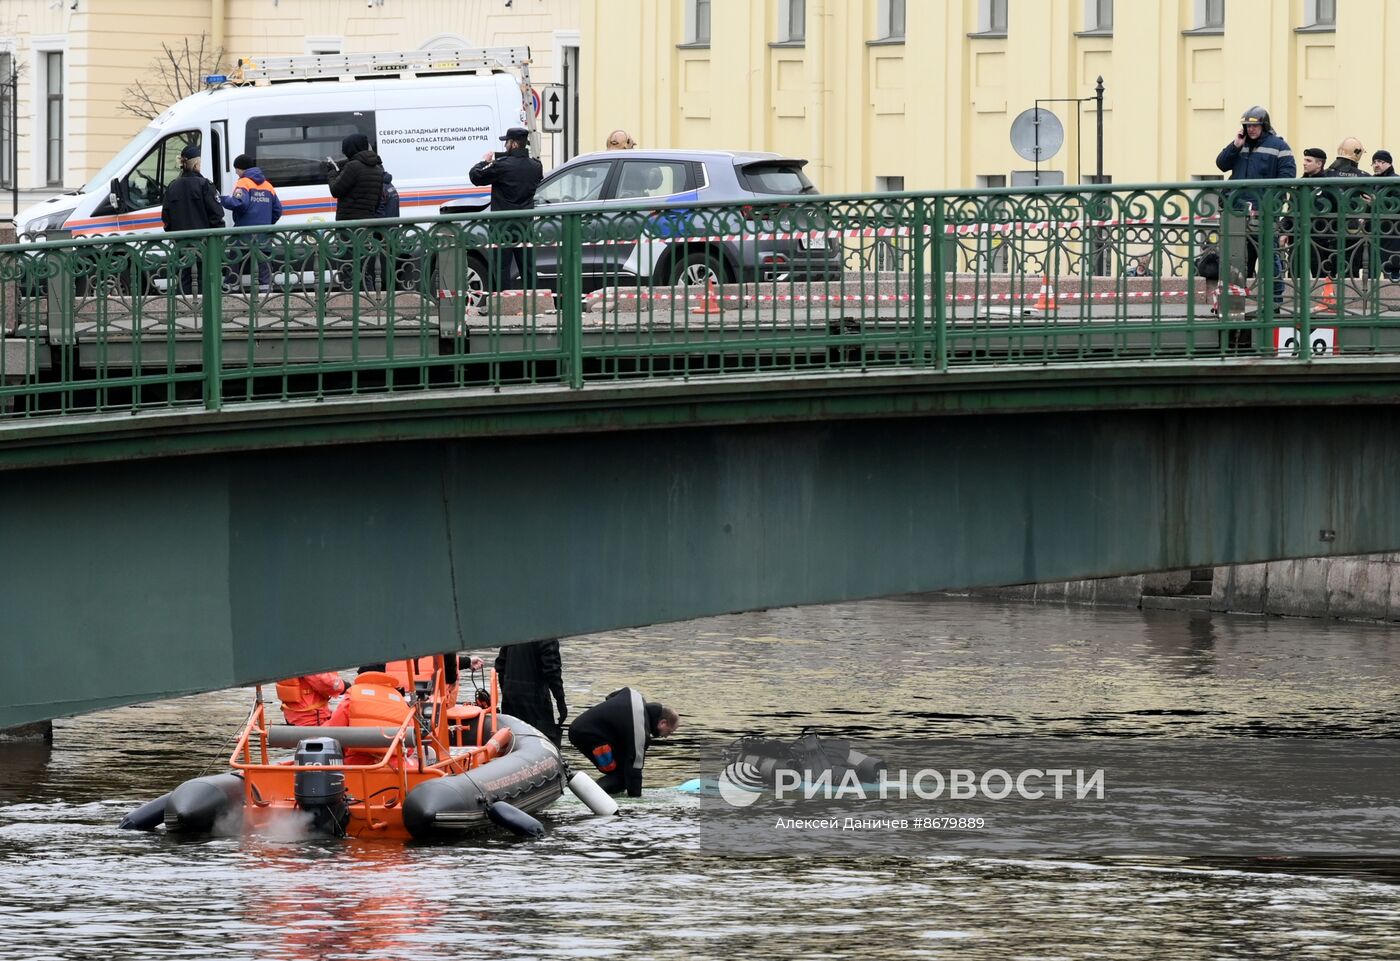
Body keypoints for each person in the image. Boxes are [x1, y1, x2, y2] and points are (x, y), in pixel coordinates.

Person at [1214, 105, 1296, 320]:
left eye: (1255, 126)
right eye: (1247, 126)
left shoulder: (1279, 146)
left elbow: (1287, 178)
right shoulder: (1240, 145)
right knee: (1234, 259)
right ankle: (1232, 306)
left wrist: (1270, 205)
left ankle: (1273, 303)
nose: (1250, 129)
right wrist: (1235, 145)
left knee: (1269, 258)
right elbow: (1221, 164)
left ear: (1264, 125)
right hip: (1237, 211)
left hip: (1264, 213)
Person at [468, 126, 543, 290]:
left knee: (502, 267)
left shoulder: (501, 166)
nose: (505, 146)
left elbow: (475, 176)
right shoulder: (536, 166)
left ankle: (503, 302)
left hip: (503, 225)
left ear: (514, 144)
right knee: (528, 267)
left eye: (507, 143)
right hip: (525, 224)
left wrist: (485, 162)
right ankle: (533, 302)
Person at [567, 688, 678, 797]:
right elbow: (635, 769)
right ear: (663, 723)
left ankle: (599, 793)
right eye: (669, 732)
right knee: (621, 776)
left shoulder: (635, 695)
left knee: (623, 768)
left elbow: (611, 697)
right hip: (587, 735)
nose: (666, 736)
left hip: (582, 726)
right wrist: (636, 801)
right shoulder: (640, 732)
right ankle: (590, 796)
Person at [468, 640, 567, 746]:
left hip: (510, 699)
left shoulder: (514, 633)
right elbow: (552, 671)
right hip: (536, 702)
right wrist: (560, 702)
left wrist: (506, 692)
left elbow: (500, 666)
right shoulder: (546, 635)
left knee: (513, 740)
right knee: (541, 741)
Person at [160, 143, 225, 294]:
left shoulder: (172, 186)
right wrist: (216, 238)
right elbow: (217, 215)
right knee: (204, 280)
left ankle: (184, 311)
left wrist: (174, 235)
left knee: (183, 279)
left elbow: (166, 217)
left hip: (181, 243)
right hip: (204, 243)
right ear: (196, 163)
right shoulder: (205, 185)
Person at [328, 132, 388, 289]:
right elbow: (377, 201)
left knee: (348, 266)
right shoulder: (377, 168)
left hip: (349, 226)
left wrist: (332, 173)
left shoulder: (353, 166)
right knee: (364, 265)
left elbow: (336, 190)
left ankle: (351, 302)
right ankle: (368, 299)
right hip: (366, 224)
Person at [326, 666, 414, 765]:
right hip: (394, 768)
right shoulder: (400, 700)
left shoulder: (353, 694)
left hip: (356, 765)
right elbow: (410, 746)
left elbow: (334, 730)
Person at [220, 153, 283, 291]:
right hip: (263, 234)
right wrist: (266, 223)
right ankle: (265, 294)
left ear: (240, 169)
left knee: (234, 260)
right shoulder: (268, 185)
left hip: (244, 233)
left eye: (236, 171)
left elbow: (240, 203)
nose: (237, 174)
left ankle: (230, 290)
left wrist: (223, 199)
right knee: (264, 266)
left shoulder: (243, 182)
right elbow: (278, 210)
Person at [274, 671, 346, 727]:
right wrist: (344, 686)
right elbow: (324, 681)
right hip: (311, 717)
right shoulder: (306, 657)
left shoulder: (286, 655)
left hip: (292, 714)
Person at [1370, 149, 1400, 281]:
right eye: (1374, 162)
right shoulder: (1373, 182)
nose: (1376, 164)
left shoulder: (1395, 181)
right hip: (1377, 232)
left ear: (1389, 163)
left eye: (1380, 162)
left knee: (1392, 270)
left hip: (1393, 233)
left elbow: (1396, 205)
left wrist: (1376, 202)